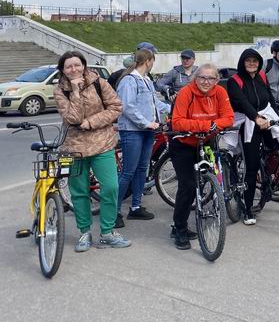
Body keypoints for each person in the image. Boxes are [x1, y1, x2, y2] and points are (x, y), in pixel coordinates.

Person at [53, 50, 130, 250]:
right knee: (78, 192)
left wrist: (91, 122)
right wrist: (76, 91)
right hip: (73, 146)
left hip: (102, 142)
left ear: (84, 65)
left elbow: (115, 107)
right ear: (63, 70)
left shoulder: (99, 82)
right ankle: (84, 232)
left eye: (77, 65)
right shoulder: (60, 90)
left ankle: (107, 231)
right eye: (68, 66)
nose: (74, 69)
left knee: (111, 187)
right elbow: (72, 119)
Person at [227, 48, 279, 224]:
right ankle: (248, 208)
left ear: (259, 63)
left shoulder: (262, 77)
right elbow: (242, 102)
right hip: (247, 123)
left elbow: (269, 100)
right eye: (248, 61)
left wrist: (278, 120)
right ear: (242, 63)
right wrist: (256, 118)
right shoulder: (234, 81)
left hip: (266, 118)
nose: (252, 64)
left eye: (255, 61)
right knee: (251, 167)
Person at [169, 63, 234, 249]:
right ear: (195, 78)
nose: (206, 82)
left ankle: (205, 205)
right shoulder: (186, 93)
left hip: (206, 142)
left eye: (211, 78)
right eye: (202, 78)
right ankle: (179, 228)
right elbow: (178, 122)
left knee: (205, 181)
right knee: (188, 185)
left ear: (217, 80)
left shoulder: (220, 93)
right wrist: (208, 126)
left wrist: (212, 126)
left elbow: (228, 117)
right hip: (183, 143)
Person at [114, 48, 170, 228]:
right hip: (132, 130)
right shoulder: (129, 81)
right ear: (148, 61)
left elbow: (155, 103)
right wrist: (147, 123)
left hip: (147, 130)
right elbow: (127, 107)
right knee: (127, 172)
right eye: (153, 61)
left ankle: (135, 207)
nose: (153, 64)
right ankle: (113, 212)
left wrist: (173, 109)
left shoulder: (146, 80)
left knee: (142, 170)